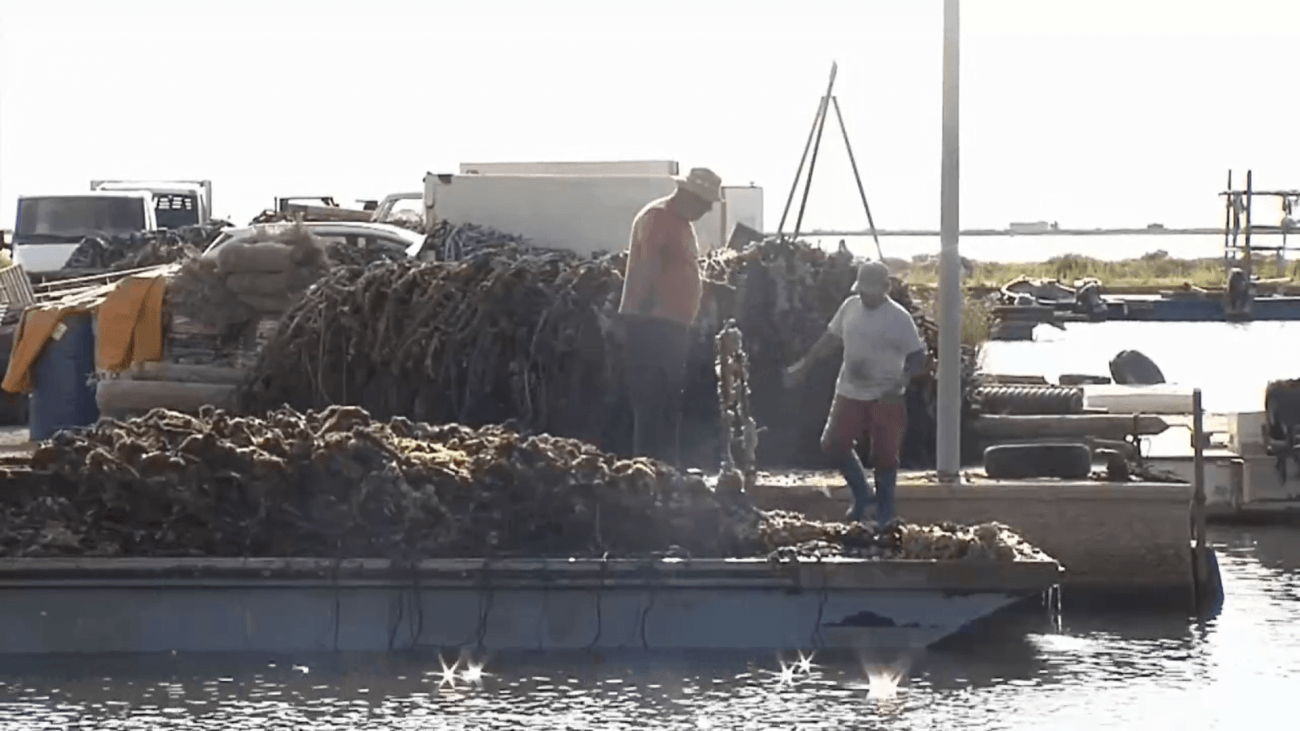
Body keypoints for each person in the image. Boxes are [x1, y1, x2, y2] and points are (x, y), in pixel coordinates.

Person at [783, 261, 927, 523]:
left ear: (886, 288)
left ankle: (884, 509)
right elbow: (830, 339)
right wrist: (805, 364)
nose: (865, 297)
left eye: (871, 292)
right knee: (833, 444)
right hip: (849, 389)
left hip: (886, 393)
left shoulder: (899, 318)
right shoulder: (849, 307)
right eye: (862, 291)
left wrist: (902, 381)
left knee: (884, 455)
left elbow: (918, 358)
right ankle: (861, 493)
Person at [618, 167, 723, 465]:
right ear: (690, 196)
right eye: (705, 204)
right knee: (652, 401)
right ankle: (649, 469)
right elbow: (646, 267)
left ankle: (664, 467)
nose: (707, 210)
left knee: (667, 401)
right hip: (652, 325)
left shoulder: (680, 222)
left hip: (670, 326)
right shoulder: (659, 217)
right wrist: (642, 315)